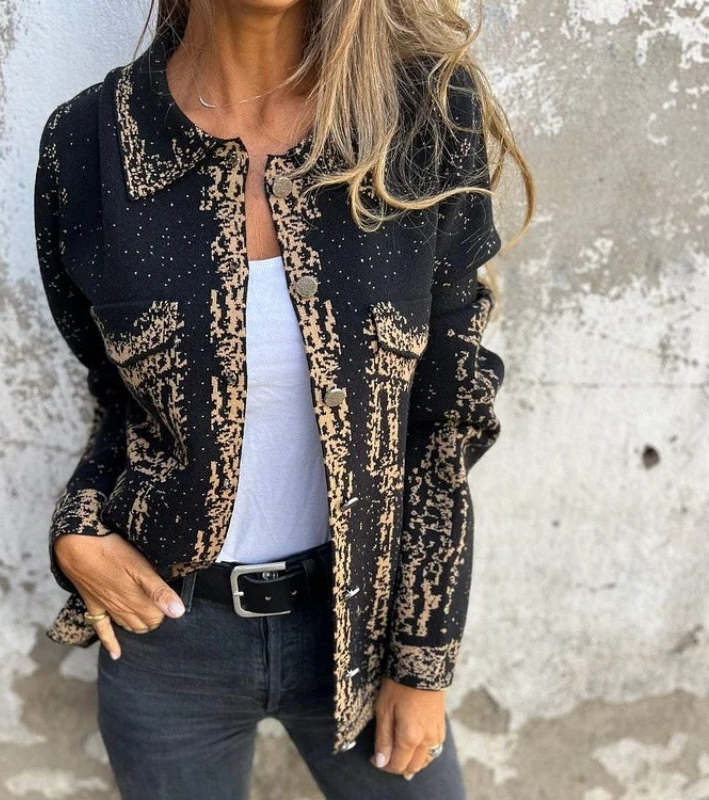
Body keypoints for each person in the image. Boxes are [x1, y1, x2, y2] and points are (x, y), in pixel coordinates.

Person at [34, 1, 533, 798]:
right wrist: (77, 529)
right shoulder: (87, 143)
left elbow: (447, 419)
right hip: (167, 642)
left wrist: (423, 659)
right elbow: (116, 401)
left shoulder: (420, 118)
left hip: (359, 628)